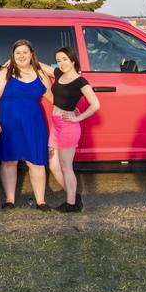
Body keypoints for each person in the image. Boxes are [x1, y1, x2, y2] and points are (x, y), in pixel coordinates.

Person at [0, 40, 54, 210]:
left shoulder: (40, 75)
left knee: (37, 163)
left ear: (32, 54)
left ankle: (41, 201)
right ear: (12, 56)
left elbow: (53, 98)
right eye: (18, 53)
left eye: (25, 52)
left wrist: (70, 109)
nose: (21, 56)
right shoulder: (5, 73)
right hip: (8, 125)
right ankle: (10, 200)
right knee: (9, 161)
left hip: (34, 124)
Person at [49, 47, 100, 212]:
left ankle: (71, 204)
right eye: (58, 60)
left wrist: (77, 117)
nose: (61, 63)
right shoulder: (58, 74)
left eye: (64, 59)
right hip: (55, 125)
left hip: (68, 127)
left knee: (65, 166)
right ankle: (74, 196)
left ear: (72, 60)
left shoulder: (80, 81)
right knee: (53, 166)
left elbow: (95, 105)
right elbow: (40, 66)